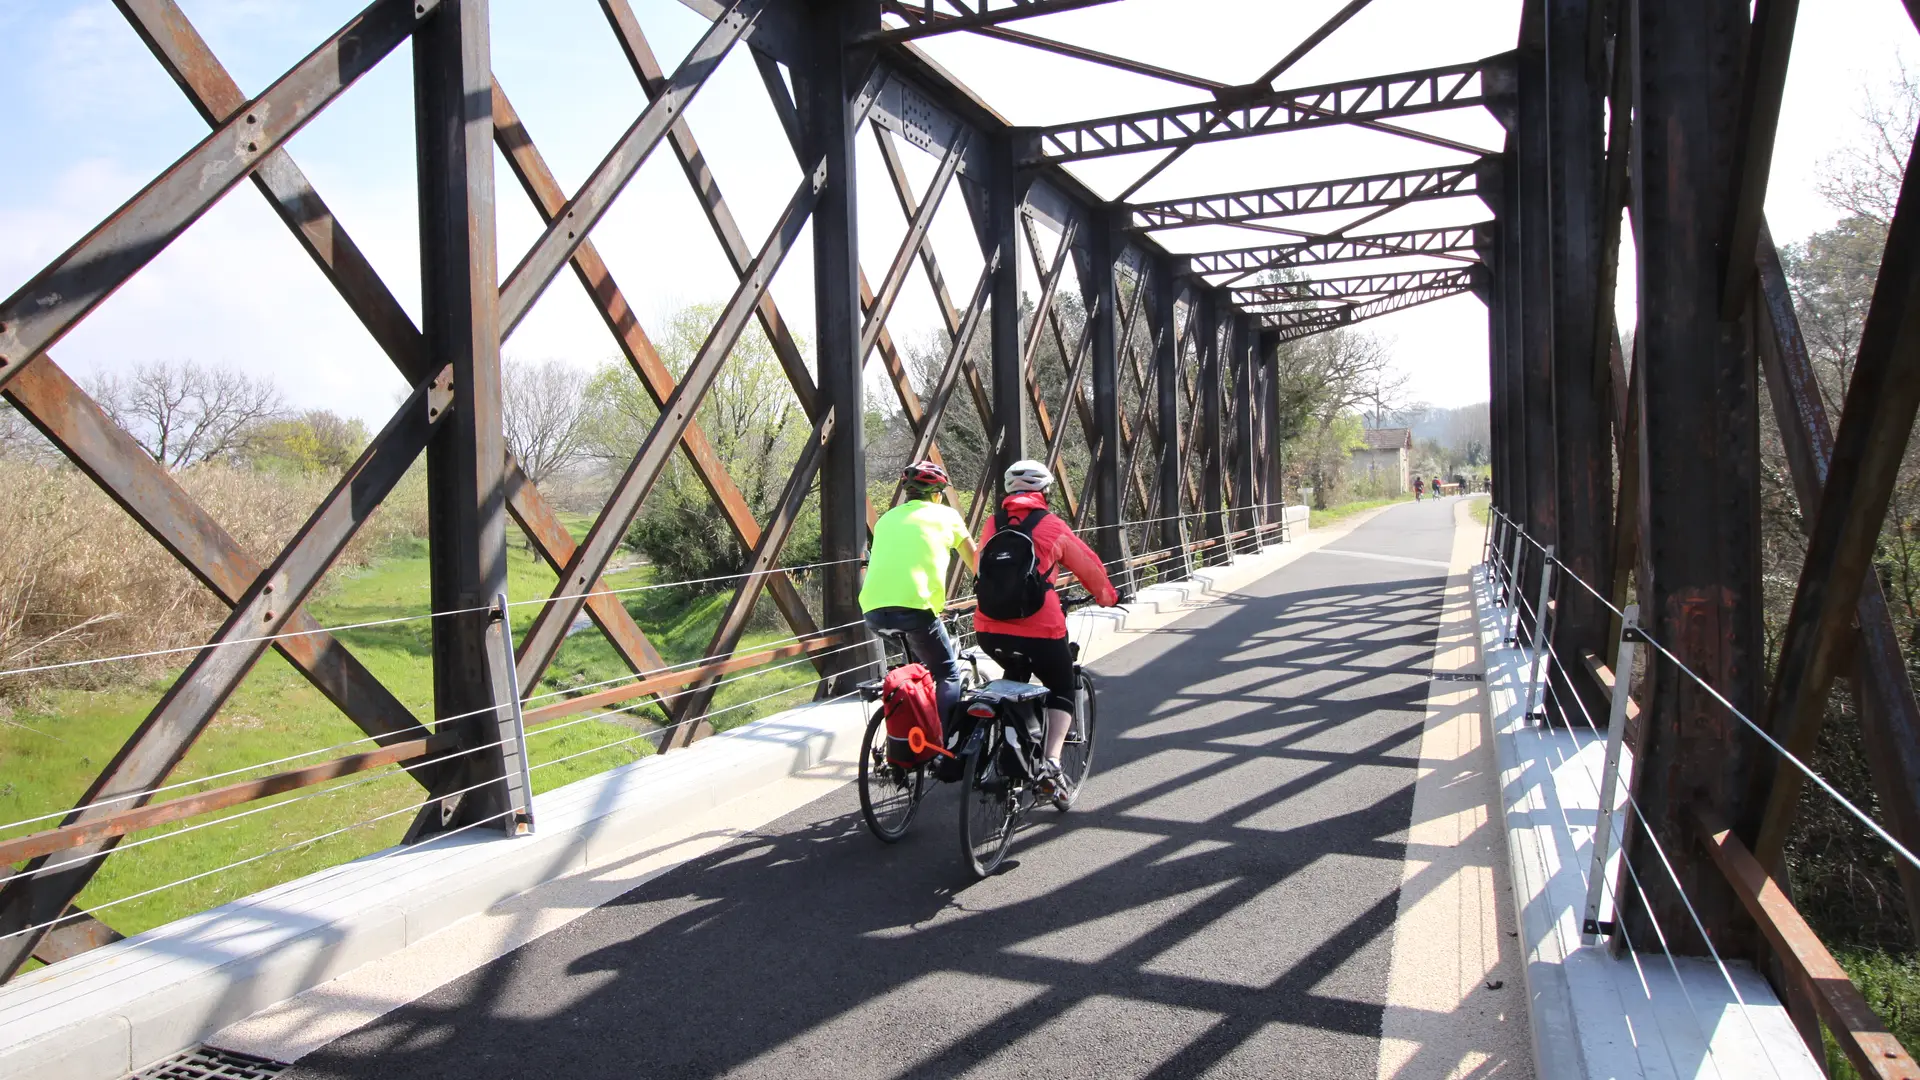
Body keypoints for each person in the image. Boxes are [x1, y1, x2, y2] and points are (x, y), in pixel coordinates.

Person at [972, 459, 1120, 805]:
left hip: (988, 629)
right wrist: (1107, 597)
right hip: (1041, 628)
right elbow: (1088, 565)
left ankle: (1006, 746)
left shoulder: (992, 525)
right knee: (1062, 686)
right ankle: (1051, 764)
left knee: (1016, 677)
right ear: (1044, 493)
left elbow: (981, 567)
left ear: (1010, 493)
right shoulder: (1052, 525)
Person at [860, 461, 978, 727]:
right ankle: (942, 746)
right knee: (947, 673)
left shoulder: (886, 520)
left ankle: (911, 736)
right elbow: (976, 564)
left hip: (873, 611)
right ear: (937, 494)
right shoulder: (947, 516)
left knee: (916, 671)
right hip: (916, 609)